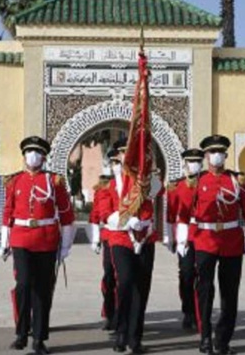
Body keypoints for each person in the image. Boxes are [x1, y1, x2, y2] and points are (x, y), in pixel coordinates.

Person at [177, 134, 245, 355]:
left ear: (226, 155)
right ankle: (204, 338)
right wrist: (183, 239)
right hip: (205, 239)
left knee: (229, 293)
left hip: (231, 239)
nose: (216, 155)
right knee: (205, 290)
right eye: (212, 152)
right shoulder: (197, 181)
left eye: (220, 151)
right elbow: (184, 213)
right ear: (206, 156)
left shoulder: (236, 180)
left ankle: (222, 341)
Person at [0, 136, 76, 355]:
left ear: (43, 157)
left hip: (46, 239)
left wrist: (66, 245)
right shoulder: (14, 181)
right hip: (21, 239)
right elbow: (7, 213)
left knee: (42, 290)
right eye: (29, 152)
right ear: (23, 156)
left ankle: (39, 338)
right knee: (23, 285)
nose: (32, 156)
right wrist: (4, 242)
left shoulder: (54, 182)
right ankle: (22, 333)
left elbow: (66, 214)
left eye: (37, 152)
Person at [100, 138, 160, 354]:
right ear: (119, 156)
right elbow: (106, 215)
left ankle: (135, 338)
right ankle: (121, 332)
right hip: (121, 239)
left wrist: (148, 170)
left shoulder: (147, 180)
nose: (131, 156)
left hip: (145, 238)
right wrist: (127, 219)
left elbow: (156, 192)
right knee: (125, 283)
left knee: (141, 289)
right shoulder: (111, 185)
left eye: (135, 152)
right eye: (126, 152)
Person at [167, 148, 205, 330]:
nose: (194, 164)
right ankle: (188, 310)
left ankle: (201, 313)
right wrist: (171, 238)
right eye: (191, 161)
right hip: (185, 233)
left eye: (197, 161)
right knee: (187, 273)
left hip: (205, 233)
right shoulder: (177, 186)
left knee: (204, 275)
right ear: (185, 164)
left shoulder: (207, 181)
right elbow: (171, 213)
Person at [88, 160, 116, 331]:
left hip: (130, 236)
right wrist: (96, 239)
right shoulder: (101, 191)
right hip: (109, 236)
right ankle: (110, 313)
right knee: (110, 276)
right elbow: (96, 215)